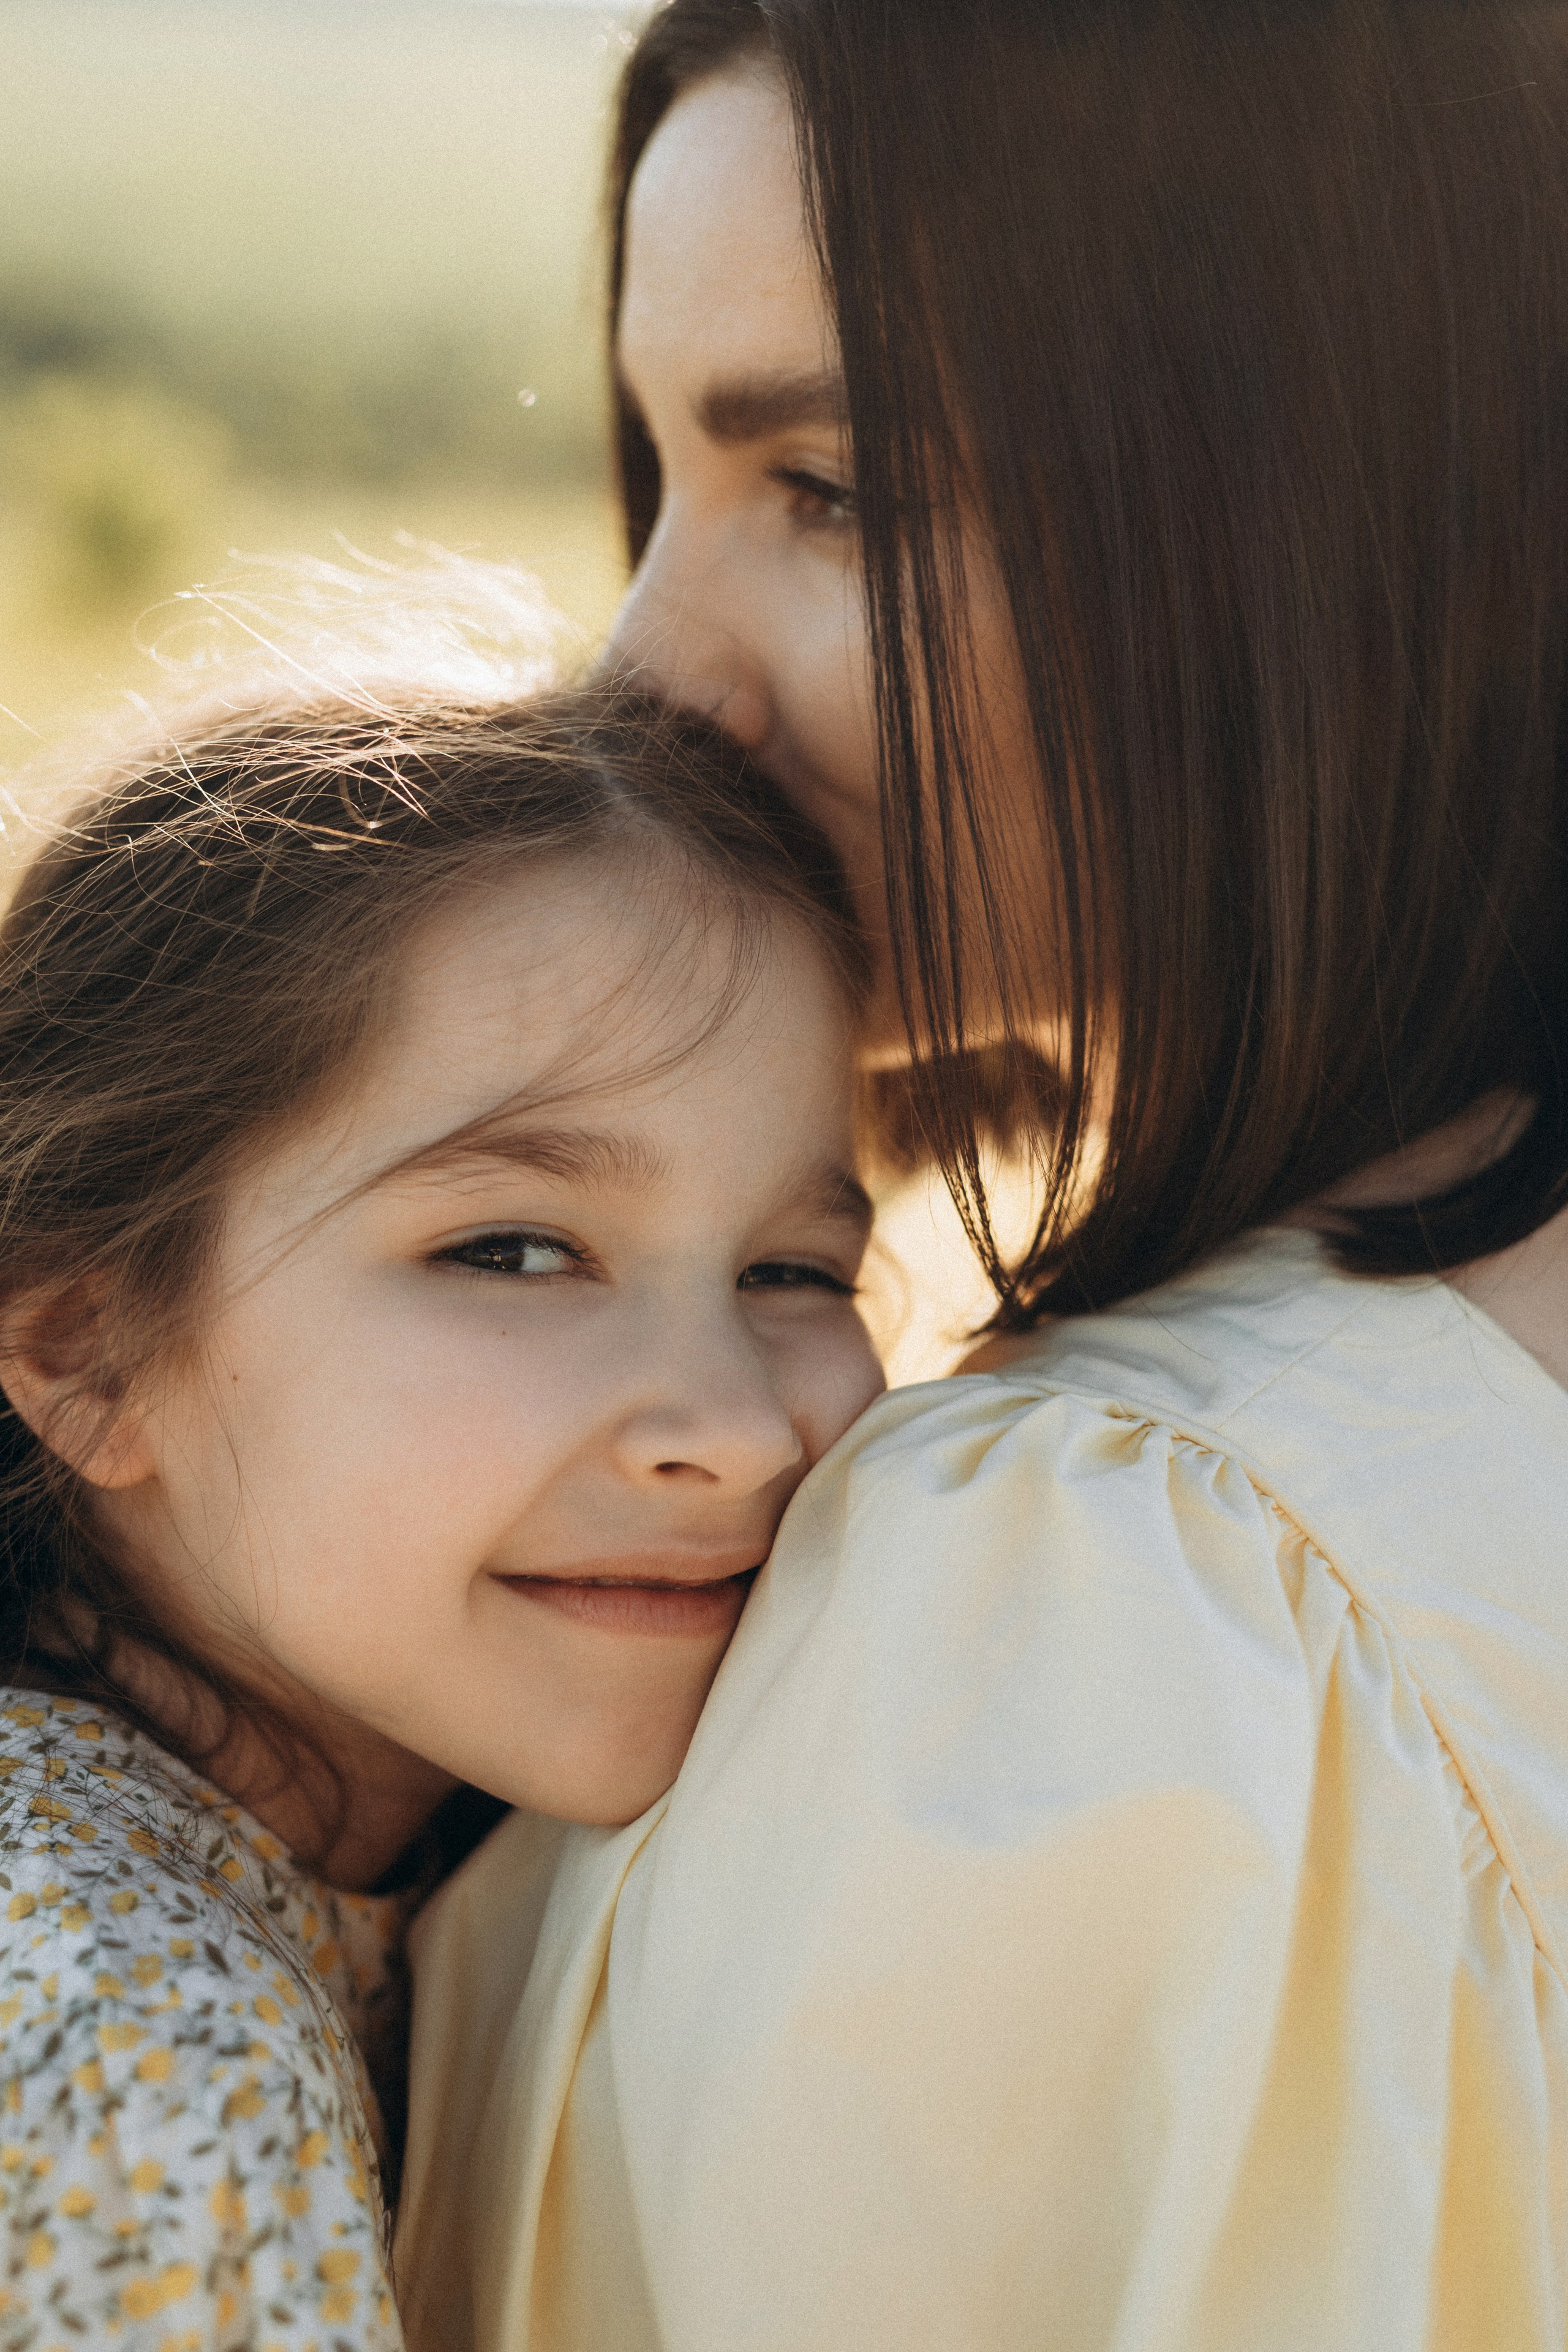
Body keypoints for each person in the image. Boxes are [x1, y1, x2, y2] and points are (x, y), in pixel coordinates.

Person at [393, 2, 1568, 2346]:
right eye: (663, 476)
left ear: (1353, 497)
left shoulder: (1116, 1602)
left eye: (828, 489)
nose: (641, 671)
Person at [0, 666, 883, 2344]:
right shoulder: (140, 2040)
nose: (739, 1429)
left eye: (796, 1269)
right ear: (90, 1350)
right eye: (515, 1251)